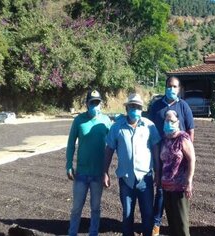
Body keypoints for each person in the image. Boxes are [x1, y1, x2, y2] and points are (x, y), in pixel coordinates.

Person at [103, 93, 161, 236]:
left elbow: (155, 149)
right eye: (132, 106)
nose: (135, 109)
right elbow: (109, 149)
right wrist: (105, 172)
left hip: (145, 178)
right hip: (126, 179)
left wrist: (158, 172)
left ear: (142, 109)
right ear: (127, 108)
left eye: (138, 107)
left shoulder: (149, 126)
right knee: (127, 215)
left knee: (147, 215)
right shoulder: (117, 127)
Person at [149, 76, 195, 236]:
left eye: (175, 86)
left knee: (178, 207)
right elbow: (149, 129)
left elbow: (190, 130)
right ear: (165, 87)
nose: (172, 89)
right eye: (169, 86)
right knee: (160, 192)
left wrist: (187, 150)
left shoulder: (184, 106)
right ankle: (156, 223)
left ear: (179, 88)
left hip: (178, 160)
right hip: (160, 155)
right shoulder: (156, 106)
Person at [66, 89, 112, 236]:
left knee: (96, 208)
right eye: (92, 103)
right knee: (76, 208)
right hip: (81, 173)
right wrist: (68, 164)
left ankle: (93, 233)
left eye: (97, 103)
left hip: (98, 174)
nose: (95, 106)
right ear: (86, 104)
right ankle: (72, 232)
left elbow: (113, 144)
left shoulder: (106, 121)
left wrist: (107, 171)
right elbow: (71, 143)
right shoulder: (78, 121)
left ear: (101, 104)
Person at [160, 110, 196, 236]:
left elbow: (192, 159)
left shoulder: (183, 138)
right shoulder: (164, 138)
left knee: (181, 223)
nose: (169, 123)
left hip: (179, 186)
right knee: (172, 222)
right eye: (167, 120)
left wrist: (189, 181)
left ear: (178, 122)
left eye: (172, 121)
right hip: (166, 186)